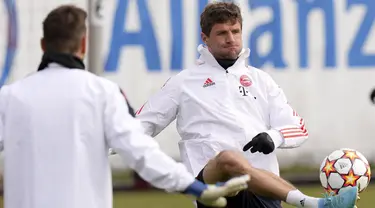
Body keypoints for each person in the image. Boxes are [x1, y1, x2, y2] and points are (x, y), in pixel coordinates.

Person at [0, 5, 251, 208]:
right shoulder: (104, 93)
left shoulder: (10, 97)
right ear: (84, 45)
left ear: (43, 46)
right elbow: (142, 155)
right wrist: (196, 187)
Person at [136, 2, 359, 208]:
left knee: (238, 163)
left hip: (263, 191)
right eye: (222, 33)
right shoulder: (183, 83)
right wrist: (103, 141)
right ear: (205, 38)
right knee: (228, 159)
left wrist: (274, 137)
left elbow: (298, 127)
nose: (231, 39)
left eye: (235, 31)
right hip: (213, 187)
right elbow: (137, 126)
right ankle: (315, 204)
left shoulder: (261, 80)